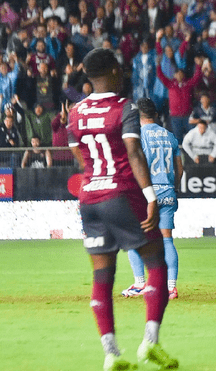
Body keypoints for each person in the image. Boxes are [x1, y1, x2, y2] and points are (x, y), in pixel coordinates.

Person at [67, 48, 177, 371]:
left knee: (102, 274)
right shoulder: (124, 108)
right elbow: (133, 152)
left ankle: (111, 353)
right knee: (156, 262)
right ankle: (150, 343)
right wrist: (151, 196)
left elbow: (78, 153)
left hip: (90, 199)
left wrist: (95, 177)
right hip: (123, 194)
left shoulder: (75, 112)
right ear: (115, 70)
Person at [122, 97, 183, 301]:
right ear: (154, 114)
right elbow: (179, 169)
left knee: (134, 239)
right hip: (167, 191)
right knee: (167, 239)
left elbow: (137, 165)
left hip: (147, 194)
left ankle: (140, 283)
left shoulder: (138, 136)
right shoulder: (170, 136)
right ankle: (171, 287)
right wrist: (172, 189)